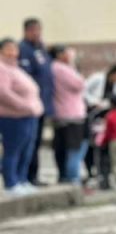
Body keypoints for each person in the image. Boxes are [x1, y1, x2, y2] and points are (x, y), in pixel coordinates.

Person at [0, 37, 44, 196]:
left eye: (15, 49)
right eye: (9, 49)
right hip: (13, 116)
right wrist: (24, 105)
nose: (13, 52)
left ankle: (22, 179)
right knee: (13, 150)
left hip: (29, 115)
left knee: (27, 150)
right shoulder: (2, 68)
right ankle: (11, 183)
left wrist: (35, 106)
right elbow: (3, 92)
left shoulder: (16, 68)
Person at [18, 18, 54, 186]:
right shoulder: (23, 49)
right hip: (29, 105)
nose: (37, 33)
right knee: (27, 142)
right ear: (26, 31)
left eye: (39, 30)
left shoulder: (41, 49)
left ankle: (33, 175)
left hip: (42, 104)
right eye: (33, 30)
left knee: (36, 142)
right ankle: (25, 176)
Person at [84, 63, 116, 187]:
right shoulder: (98, 79)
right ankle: (91, 172)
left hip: (107, 118)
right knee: (91, 146)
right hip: (92, 114)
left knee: (105, 148)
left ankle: (105, 172)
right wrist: (94, 102)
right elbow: (83, 90)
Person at [50, 46, 89, 186]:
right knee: (75, 148)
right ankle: (72, 177)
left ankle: (65, 176)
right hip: (72, 114)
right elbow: (79, 84)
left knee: (63, 148)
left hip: (62, 113)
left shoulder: (53, 68)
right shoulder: (61, 68)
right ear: (60, 55)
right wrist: (72, 64)